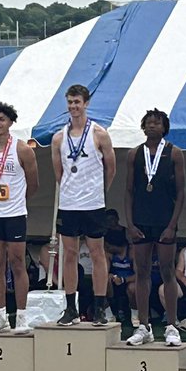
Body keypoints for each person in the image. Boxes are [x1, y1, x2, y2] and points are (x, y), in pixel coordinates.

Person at [51, 84, 115, 325]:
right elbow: (58, 173)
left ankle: (99, 306)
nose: (73, 107)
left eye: (77, 102)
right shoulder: (59, 137)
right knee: (69, 254)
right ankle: (71, 308)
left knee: (98, 253)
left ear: (86, 103)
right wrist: (72, 191)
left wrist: (99, 192)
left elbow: (111, 167)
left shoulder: (99, 134)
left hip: (93, 204)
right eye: (70, 102)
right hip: (69, 204)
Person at [125, 108, 186, 346]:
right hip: (140, 220)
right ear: (143, 127)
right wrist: (129, 223)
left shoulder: (174, 154)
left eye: (156, 123)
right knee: (141, 273)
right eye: (148, 122)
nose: (152, 126)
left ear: (164, 128)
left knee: (167, 271)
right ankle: (143, 325)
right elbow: (129, 191)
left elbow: (181, 192)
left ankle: (172, 325)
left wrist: (173, 225)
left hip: (164, 221)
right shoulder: (134, 154)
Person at [0, 100, 38, 334]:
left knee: (18, 263)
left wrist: (18, 201)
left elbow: (34, 184)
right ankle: (0, 316)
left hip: (15, 214)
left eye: (2, 119)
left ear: (11, 122)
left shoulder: (22, 149)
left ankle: (22, 317)